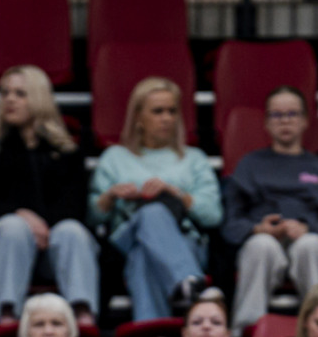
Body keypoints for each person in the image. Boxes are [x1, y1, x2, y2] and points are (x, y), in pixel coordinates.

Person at [0, 65, 99, 324]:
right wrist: (22, 216)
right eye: (5, 93)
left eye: (20, 94)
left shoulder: (69, 154)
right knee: (14, 228)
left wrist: (40, 227)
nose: (10, 100)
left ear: (39, 99)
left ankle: (82, 314)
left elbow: (75, 207)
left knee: (71, 230)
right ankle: (7, 315)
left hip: (51, 248)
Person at [89, 77, 222, 320]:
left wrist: (176, 194)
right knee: (151, 214)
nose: (166, 118)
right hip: (125, 240)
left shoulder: (194, 159)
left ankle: (152, 335)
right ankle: (189, 283)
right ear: (138, 117)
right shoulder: (115, 157)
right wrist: (111, 196)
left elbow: (213, 215)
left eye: (172, 111)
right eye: (158, 111)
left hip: (183, 241)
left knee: (144, 255)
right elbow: (92, 216)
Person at [221, 87, 318, 334]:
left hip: (307, 238)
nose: (285, 121)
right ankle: (245, 334)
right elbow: (231, 223)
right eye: (276, 115)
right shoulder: (249, 164)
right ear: (267, 123)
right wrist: (258, 229)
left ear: (305, 120)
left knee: (313, 246)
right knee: (260, 246)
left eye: (292, 114)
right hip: (265, 239)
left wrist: (308, 228)